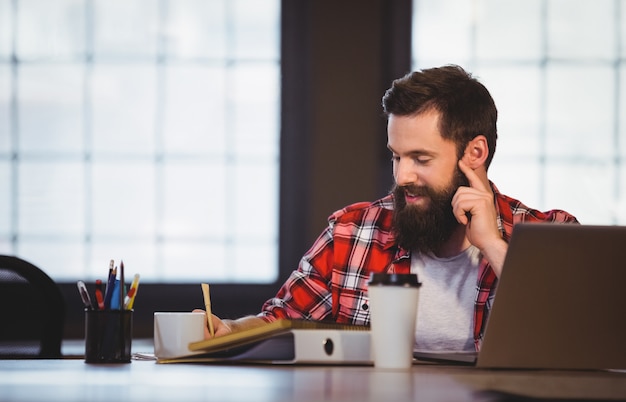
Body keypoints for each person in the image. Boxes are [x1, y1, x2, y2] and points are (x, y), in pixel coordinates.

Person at [197, 65, 578, 352]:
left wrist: (493, 246)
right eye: (396, 157)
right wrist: (230, 330)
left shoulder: (554, 233)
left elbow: (578, 334)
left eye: (421, 158)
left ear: (474, 153)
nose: (403, 176)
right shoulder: (351, 231)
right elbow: (278, 323)